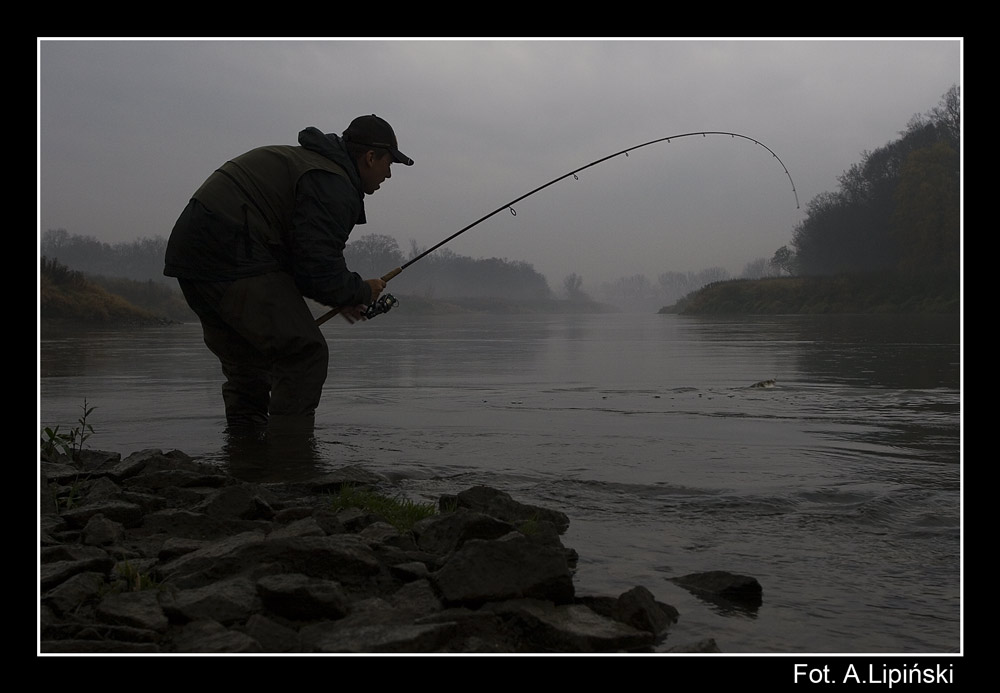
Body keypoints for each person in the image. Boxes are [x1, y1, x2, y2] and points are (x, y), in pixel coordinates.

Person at [164, 114, 413, 436]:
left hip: (193, 258)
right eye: (389, 163)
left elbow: (302, 261)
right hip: (233, 254)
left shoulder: (314, 167)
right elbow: (316, 268)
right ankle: (291, 457)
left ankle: (244, 453)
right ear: (370, 157)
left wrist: (344, 294)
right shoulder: (332, 182)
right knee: (304, 353)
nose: (389, 174)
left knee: (248, 362)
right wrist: (360, 291)